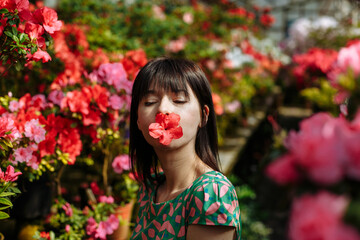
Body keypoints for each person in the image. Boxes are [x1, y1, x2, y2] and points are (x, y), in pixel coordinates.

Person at [129, 57, 241, 240]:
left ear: (203, 116)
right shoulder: (150, 189)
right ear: (138, 121)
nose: (163, 109)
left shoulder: (212, 192)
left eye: (179, 100)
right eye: (149, 102)